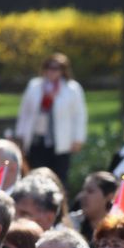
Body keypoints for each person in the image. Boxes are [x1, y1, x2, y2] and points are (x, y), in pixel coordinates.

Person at [14, 52, 87, 183]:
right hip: (37, 140)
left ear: (63, 70)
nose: (51, 71)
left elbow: (79, 115)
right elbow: (24, 112)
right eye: (48, 67)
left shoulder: (72, 88)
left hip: (60, 141)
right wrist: (20, 135)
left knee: (59, 178)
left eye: (56, 68)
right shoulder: (35, 86)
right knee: (35, 175)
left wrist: (78, 138)